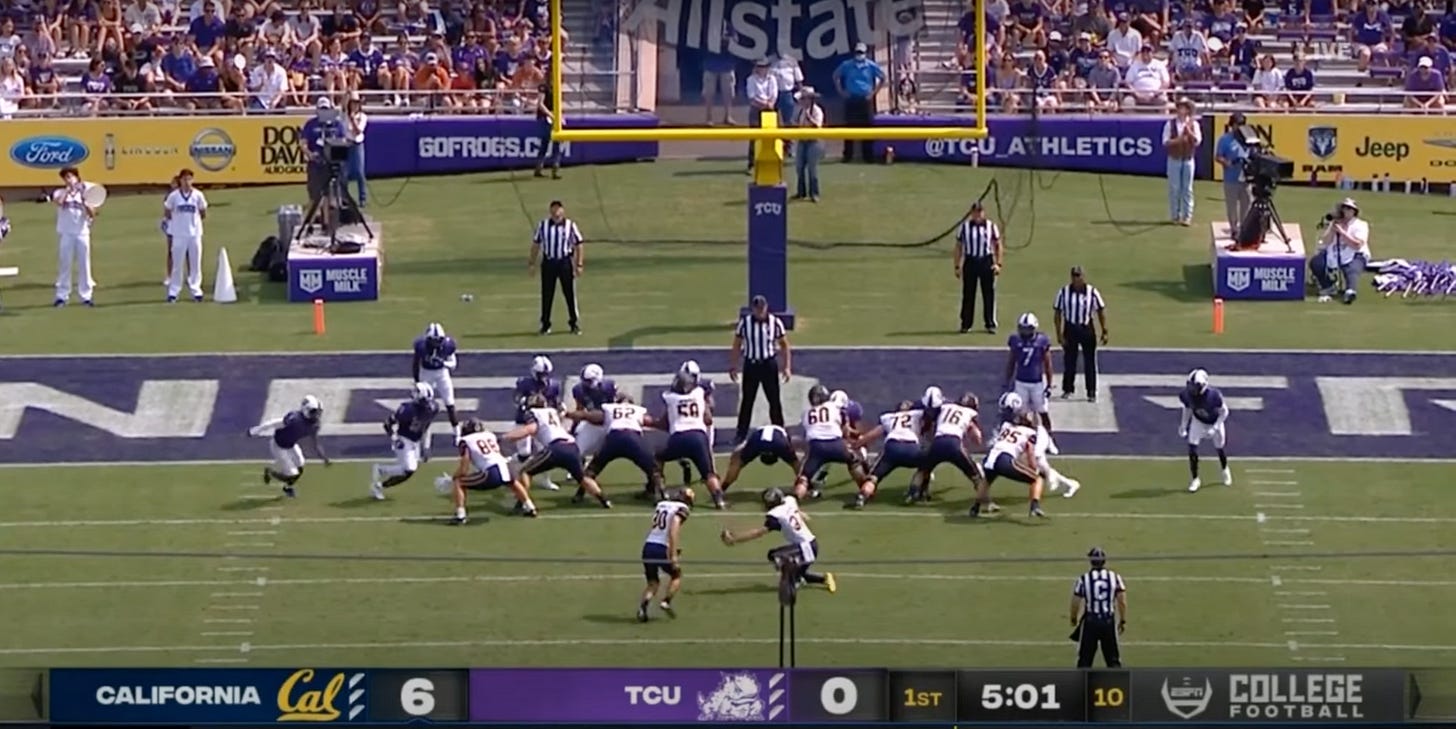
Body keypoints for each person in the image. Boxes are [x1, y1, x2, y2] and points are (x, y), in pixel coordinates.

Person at [720, 487, 837, 595]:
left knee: (778, 557)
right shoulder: (789, 500)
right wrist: (801, 514)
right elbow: (795, 509)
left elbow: (758, 533)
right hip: (807, 545)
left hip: (806, 548)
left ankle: (795, 579)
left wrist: (735, 539)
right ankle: (823, 578)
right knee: (778, 558)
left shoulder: (776, 514)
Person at [658, 371, 726, 508]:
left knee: (658, 458)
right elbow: (708, 419)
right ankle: (719, 500)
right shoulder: (699, 393)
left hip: (678, 437)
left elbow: (664, 423)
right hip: (698, 437)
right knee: (709, 473)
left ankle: (659, 490)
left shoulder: (670, 398)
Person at [446, 418, 532, 525]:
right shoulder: (490, 435)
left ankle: (460, 515)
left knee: (459, 482)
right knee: (512, 482)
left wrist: (454, 477)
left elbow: (464, 467)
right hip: (506, 467)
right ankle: (530, 507)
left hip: (492, 472)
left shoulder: (465, 441)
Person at [730, 294, 790, 443]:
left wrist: (787, 366)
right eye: (757, 309)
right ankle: (741, 434)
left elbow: (784, 345)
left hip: (768, 364)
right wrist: (733, 365)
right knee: (747, 401)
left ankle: (780, 431)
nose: (760, 311)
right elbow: (737, 344)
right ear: (753, 309)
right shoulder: (745, 323)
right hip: (751, 365)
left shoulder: (775, 322)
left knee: (774, 400)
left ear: (766, 307)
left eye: (762, 308)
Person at [247, 395, 331, 497]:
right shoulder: (294, 419)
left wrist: (323, 457)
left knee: (300, 466)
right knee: (292, 474)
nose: (316, 415)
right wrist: (254, 431)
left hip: (291, 445)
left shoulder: (314, 425)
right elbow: (272, 424)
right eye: (314, 412)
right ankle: (270, 472)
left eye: (318, 412)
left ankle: (287, 487)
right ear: (306, 410)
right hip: (279, 446)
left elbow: (314, 443)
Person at [369, 382, 440, 500]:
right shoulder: (407, 409)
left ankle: (380, 479)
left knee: (408, 471)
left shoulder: (432, 408)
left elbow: (426, 427)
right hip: (404, 439)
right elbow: (387, 424)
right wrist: (395, 439)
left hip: (415, 441)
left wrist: (426, 446)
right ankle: (380, 474)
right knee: (409, 469)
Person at [1053, 266, 1109, 402]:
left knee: (1089, 361)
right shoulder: (1063, 292)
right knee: (1069, 360)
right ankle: (1067, 389)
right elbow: (1058, 313)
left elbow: (1100, 310)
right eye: (1074, 276)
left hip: (1086, 328)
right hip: (1070, 328)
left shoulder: (1092, 292)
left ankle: (1091, 391)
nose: (1076, 279)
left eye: (1078, 276)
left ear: (1083, 276)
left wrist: (1104, 330)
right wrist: (1059, 334)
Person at [530, 200, 584, 335]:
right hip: (549, 263)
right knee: (547, 294)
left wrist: (579, 264)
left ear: (562, 211)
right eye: (553, 210)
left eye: (558, 209)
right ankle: (545, 324)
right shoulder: (543, 225)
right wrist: (532, 263)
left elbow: (579, 244)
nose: (556, 212)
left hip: (564, 262)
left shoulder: (570, 225)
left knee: (569, 293)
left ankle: (573, 323)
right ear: (550, 211)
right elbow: (536, 244)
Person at [639, 487, 693, 622]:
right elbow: (673, 529)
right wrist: (673, 554)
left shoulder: (662, 504)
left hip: (648, 546)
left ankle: (643, 607)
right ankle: (666, 601)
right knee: (676, 575)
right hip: (662, 548)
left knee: (653, 582)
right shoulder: (682, 509)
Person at [1071, 547, 1127, 668]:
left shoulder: (1084, 579)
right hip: (1108, 620)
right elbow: (1122, 601)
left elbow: (1075, 601)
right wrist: (1122, 620)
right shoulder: (1114, 577)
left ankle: (1082, 680)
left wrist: (1074, 618)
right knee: (1113, 660)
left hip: (1091, 621)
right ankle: (1117, 680)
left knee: (1085, 660)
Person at [1309, 197, 1370, 304]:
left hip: (1355, 253)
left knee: (1352, 268)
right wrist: (1333, 230)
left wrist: (1342, 233)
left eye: (1349, 208)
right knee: (1316, 262)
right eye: (1344, 208)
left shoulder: (1361, 225)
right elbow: (1325, 242)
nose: (1346, 211)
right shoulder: (1336, 223)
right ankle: (1328, 286)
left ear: (1354, 212)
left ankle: (1350, 291)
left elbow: (1357, 245)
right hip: (1335, 252)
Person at [1180, 368, 1232, 493]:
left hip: (1214, 421)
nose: (1192, 390)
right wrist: (1183, 425)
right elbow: (1187, 408)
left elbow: (1224, 412)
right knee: (1192, 448)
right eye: (1191, 386)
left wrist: (1215, 427)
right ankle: (1195, 479)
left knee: (1219, 447)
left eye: (1195, 387)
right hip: (1198, 421)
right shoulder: (1187, 395)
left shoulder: (1214, 396)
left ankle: (1225, 469)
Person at [51, 166, 97, 308]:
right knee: (65, 264)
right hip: (66, 233)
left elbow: (92, 213)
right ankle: (62, 296)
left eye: (71, 177)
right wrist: (68, 190)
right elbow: (59, 202)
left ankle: (86, 296)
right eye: (66, 177)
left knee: (84, 265)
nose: (69, 180)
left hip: (82, 233)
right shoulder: (59, 192)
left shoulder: (85, 194)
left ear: (77, 178)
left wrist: (84, 200)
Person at [831, 42, 884, 163]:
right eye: (857, 52)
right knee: (849, 127)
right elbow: (835, 76)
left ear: (865, 53)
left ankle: (868, 156)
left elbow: (882, 77)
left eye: (861, 52)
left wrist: (873, 93)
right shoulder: (847, 65)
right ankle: (848, 156)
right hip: (851, 99)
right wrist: (841, 91)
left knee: (867, 128)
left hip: (865, 99)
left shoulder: (870, 65)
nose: (859, 54)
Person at [955, 201, 1002, 334]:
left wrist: (998, 264)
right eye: (975, 212)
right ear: (971, 213)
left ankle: (990, 323)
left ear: (983, 213)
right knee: (968, 294)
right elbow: (958, 247)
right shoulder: (964, 227)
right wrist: (957, 265)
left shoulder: (991, 226)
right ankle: (966, 323)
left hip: (986, 260)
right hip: (970, 260)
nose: (978, 215)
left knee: (988, 294)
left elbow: (998, 245)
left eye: (980, 212)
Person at [162, 167, 207, 303]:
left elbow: (203, 212)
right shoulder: (174, 196)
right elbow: (167, 211)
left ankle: (196, 290)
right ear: (180, 181)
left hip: (194, 234)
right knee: (177, 264)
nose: (187, 182)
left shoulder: (198, 195)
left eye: (189, 179)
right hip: (179, 234)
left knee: (195, 263)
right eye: (184, 179)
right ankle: (174, 291)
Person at [1004, 312, 1054, 432]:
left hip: (1037, 383)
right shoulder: (1015, 340)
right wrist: (1007, 380)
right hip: (1021, 382)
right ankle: (1025, 438)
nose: (1025, 332)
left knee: (1043, 412)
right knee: (1022, 414)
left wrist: (1049, 384)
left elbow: (1048, 364)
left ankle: (1049, 437)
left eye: (1028, 329)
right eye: (1023, 328)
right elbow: (1011, 362)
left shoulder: (1042, 341)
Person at [412, 322, 460, 439]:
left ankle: (457, 435)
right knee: (424, 407)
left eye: (438, 340)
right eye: (434, 340)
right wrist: (417, 381)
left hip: (441, 373)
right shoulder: (421, 346)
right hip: (426, 373)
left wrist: (443, 363)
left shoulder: (448, 345)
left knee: (450, 403)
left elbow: (453, 364)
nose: (436, 343)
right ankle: (424, 436)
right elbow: (415, 364)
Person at [1163, 97, 1201, 226]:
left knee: (1187, 189)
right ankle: (1175, 215)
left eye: (1184, 107)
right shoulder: (1170, 124)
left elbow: (1197, 141)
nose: (1181, 110)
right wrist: (1178, 140)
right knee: (1174, 188)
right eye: (1180, 107)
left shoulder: (1194, 124)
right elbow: (1165, 142)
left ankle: (1187, 216)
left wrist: (1189, 133)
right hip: (1174, 159)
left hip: (1188, 159)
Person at [1215, 112, 1251, 228]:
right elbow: (1218, 156)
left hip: (1246, 178)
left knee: (1246, 204)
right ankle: (1234, 228)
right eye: (1237, 124)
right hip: (1231, 178)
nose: (1240, 127)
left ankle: (1244, 227)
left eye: (1242, 124)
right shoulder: (1225, 139)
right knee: (1232, 206)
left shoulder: (1249, 139)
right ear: (1232, 125)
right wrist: (1227, 163)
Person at [745, 58, 779, 173]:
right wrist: (764, 104)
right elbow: (752, 97)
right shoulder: (751, 79)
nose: (762, 69)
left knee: (771, 137)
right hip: (756, 110)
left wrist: (770, 104)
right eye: (760, 67)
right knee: (754, 137)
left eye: (764, 67)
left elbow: (774, 94)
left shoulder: (772, 79)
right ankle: (752, 164)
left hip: (770, 110)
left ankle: (771, 162)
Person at [791, 86, 824, 202]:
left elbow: (817, 126)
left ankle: (814, 193)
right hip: (802, 141)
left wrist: (809, 118)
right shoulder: (799, 110)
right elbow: (794, 122)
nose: (802, 101)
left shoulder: (817, 111)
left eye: (805, 99)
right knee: (799, 167)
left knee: (812, 168)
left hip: (813, 142)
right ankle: (801, 192)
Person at [344, 93, 368, 206]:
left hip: (357, 144)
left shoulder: (362, 117)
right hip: (347, 144)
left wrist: (353, 119)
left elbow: (358, 131)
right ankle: (344, 198)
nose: (355, 106)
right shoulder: (345, 115)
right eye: (353, 103)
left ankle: (362, 198)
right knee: (344, 173)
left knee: (359, 172)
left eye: (357, 103)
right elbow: (342, 106)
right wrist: (347, 94)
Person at [534, 82, 562, 178]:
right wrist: (552, 116)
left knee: (555, 143)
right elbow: (540, 104)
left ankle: (553, 167)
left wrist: (559, 117)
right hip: (545, 117)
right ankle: (542, 166)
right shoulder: (544, 86)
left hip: (552, 117)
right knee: (546, 142)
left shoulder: (557, 86)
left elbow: (558, 105)